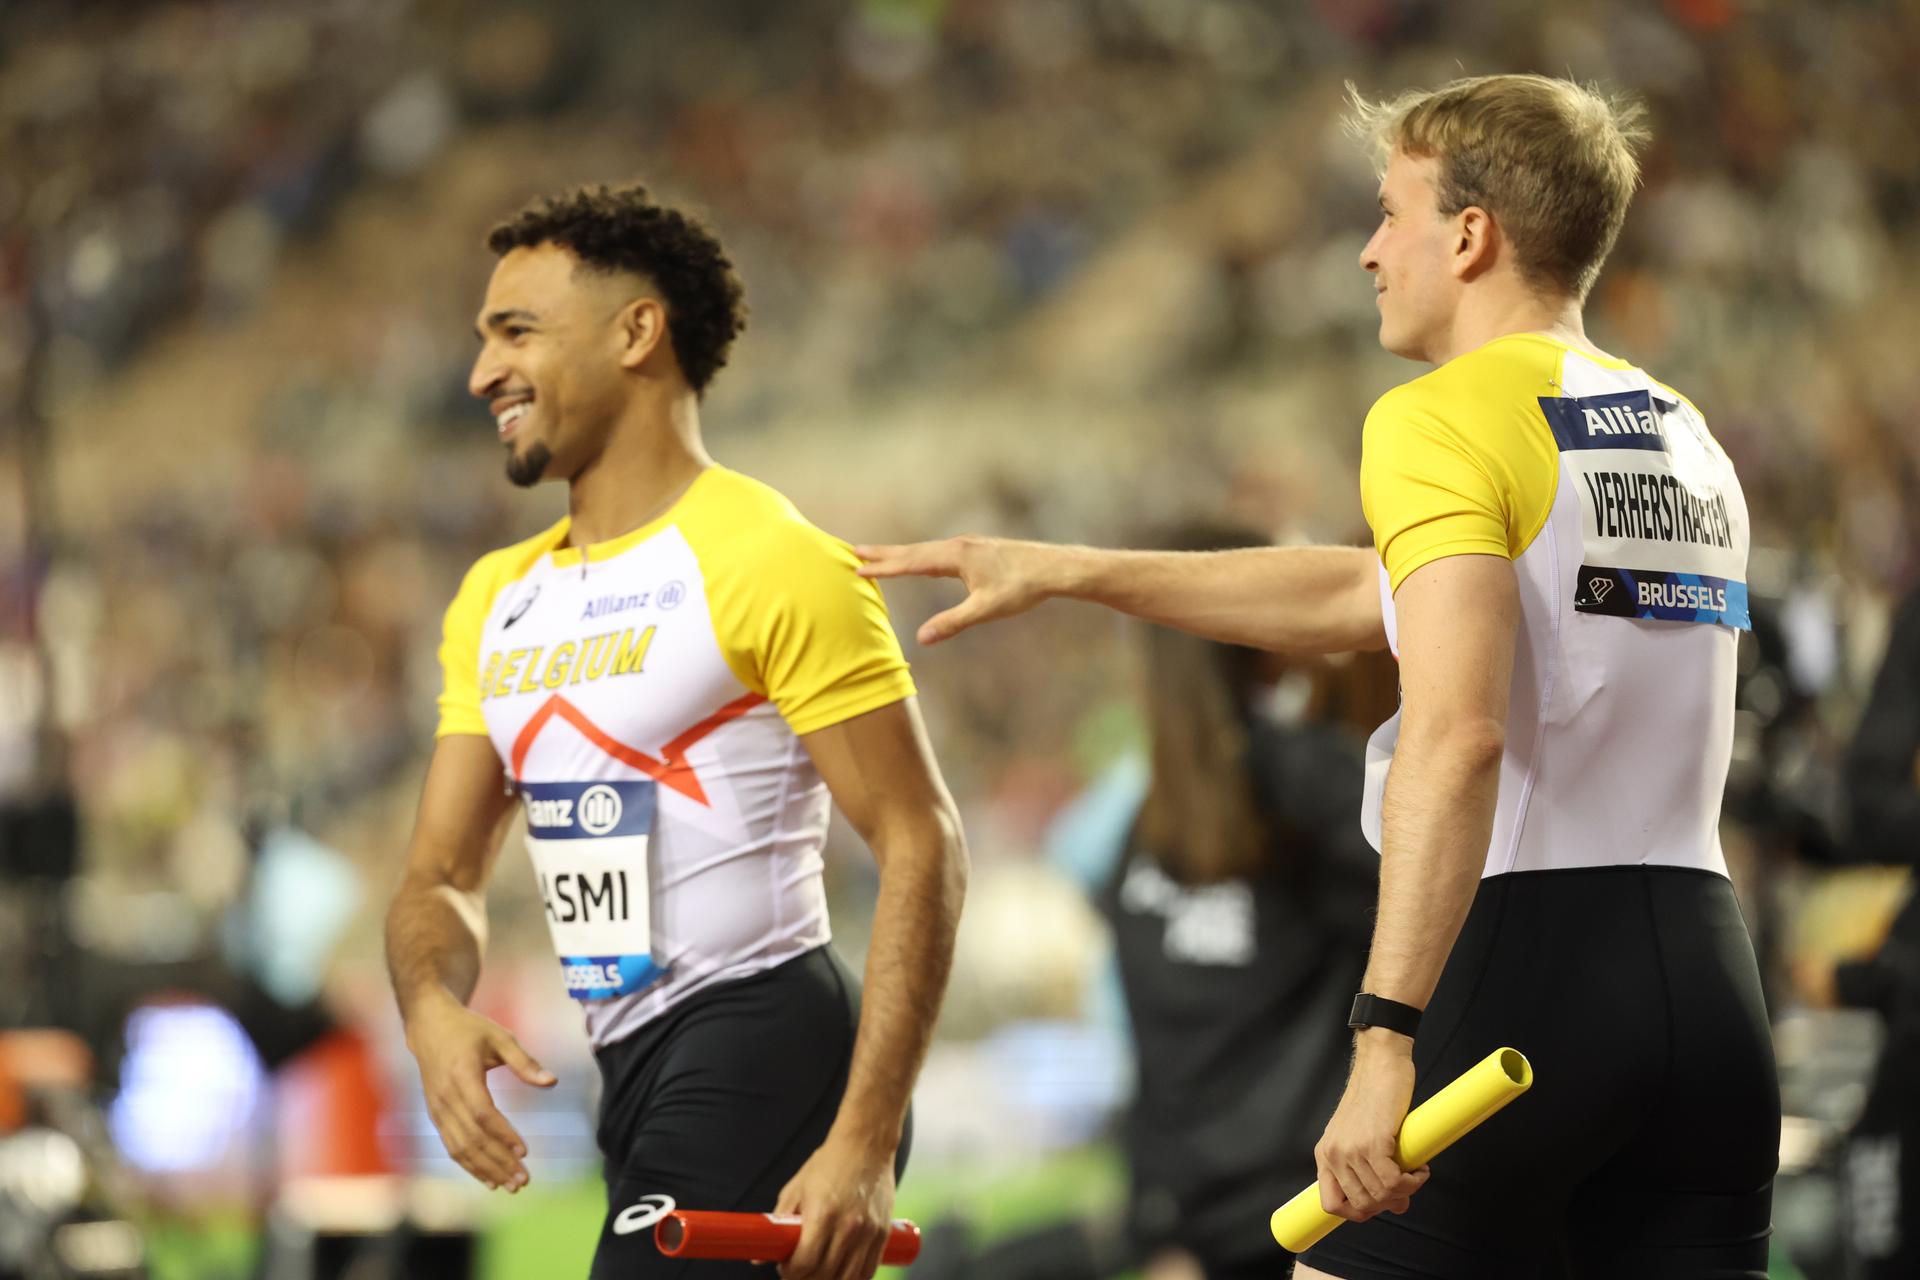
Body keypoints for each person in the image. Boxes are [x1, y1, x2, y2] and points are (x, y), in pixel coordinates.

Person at [860, 75, 1778, 1279]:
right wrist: (1075, 569)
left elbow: (1457, 734)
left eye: (1390, 212)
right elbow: (1369, 595)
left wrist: (1385, 1034)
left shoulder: (1437, 418)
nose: (1366, 249)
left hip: (1518, 980)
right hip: (1706, 991)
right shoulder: (1682, 431)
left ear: (1471, 233)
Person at [384, 183, 967, 1280]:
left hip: (770, 1038)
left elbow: (922, 838)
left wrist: (865, 1134)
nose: (479, 374)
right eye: (480, 339)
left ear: (637, 330)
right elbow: (440, 870)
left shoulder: (771, 555)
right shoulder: (493, 599)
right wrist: (428, 1006)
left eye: (516, 331)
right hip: (633, 1061)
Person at [919, 524, 1387, 1280]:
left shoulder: (1150, 826)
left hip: (1271, 1223)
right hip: (1303, 1219)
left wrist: (1162, 1228)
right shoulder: (1311, 792)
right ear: (1264, 629)